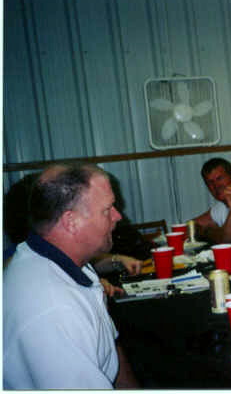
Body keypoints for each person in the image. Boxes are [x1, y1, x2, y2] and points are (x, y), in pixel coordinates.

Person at [3, 163, 138, 388]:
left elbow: (111, 349)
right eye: (108, 209)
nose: (118, 216)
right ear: (71, 221)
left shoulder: (68, 263)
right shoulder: (54, 311)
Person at [191, 158, 231, 243]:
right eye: (210, 182)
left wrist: (208, 231)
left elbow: (227, 240)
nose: (216, 185)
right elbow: (191, 225)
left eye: (220, 178)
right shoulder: (221, 205)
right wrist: (209, 230)